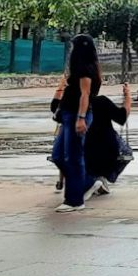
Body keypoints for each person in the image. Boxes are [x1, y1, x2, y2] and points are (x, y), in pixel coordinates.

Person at [50, 35, 101, 211]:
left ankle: (74, 201)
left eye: (73, 47)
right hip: (67, 114)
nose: (71, 51)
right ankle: (87, 182)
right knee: (58, 156)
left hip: (76, 115)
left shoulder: (85, 69)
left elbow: (85, 95)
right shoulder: (77, 68)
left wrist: (81, 118)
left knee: (73, 157)